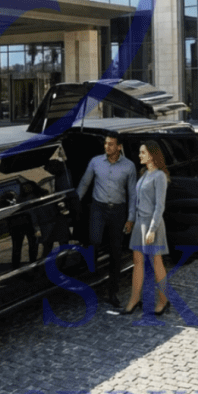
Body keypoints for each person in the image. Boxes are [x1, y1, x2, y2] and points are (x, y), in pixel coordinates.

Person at [76, 131, 137, 307]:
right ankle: (93, 279)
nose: (107, 147)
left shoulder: (129, 166)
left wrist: (131, 217)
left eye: (111, 144)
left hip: (118, 211)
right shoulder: (95, 162)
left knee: (116, 252)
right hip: (98, 208)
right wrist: (74, 204)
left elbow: (133, 194)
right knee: (93, 241)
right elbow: (84, 184)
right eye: (105, 143)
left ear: (119, 147)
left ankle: (113, 292)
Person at [122, 140, 169, 316]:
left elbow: (159, 206)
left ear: (152, 154)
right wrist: (131, 220)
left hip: (152, 224)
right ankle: (134, 300)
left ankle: (163, 301)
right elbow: (136, 202)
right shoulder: (144, 175)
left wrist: (152, 229)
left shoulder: (159, 176)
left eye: (143, 152)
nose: (139, 155)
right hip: (139, 223)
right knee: (138, 262)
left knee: (157, 263)